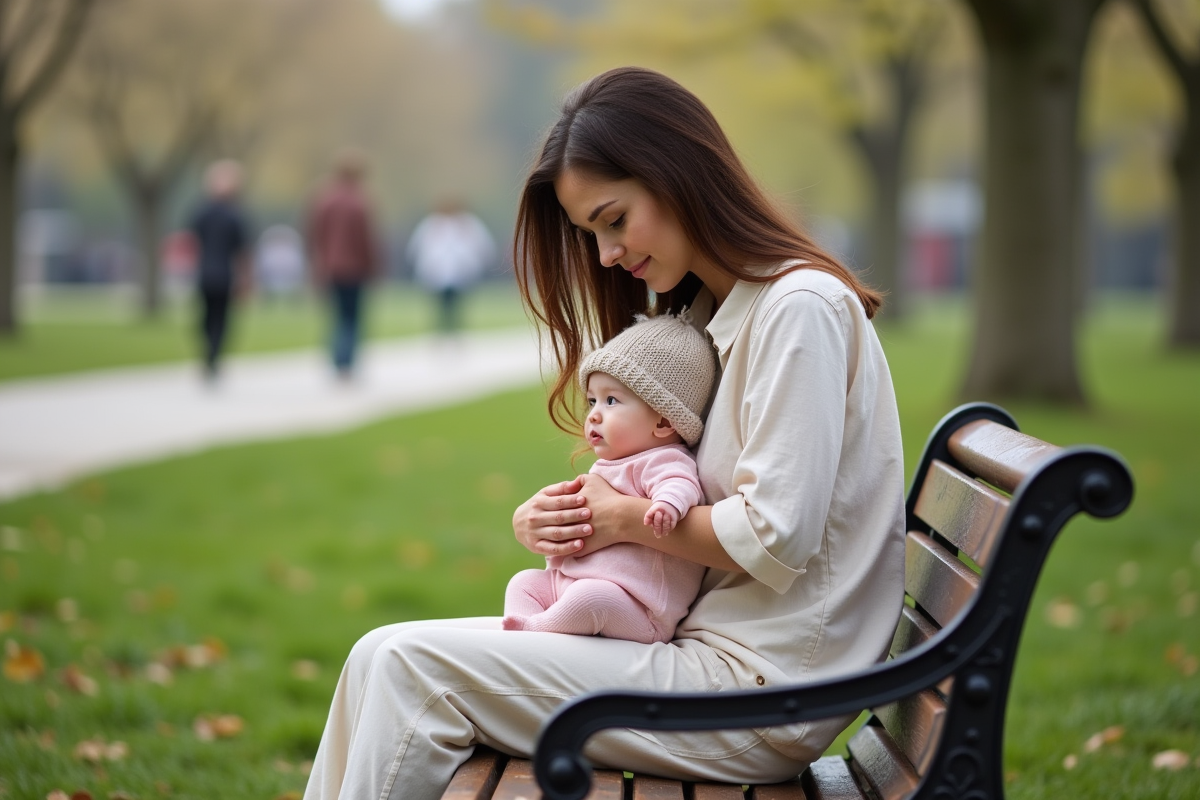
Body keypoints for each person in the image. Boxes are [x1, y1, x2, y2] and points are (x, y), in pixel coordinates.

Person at [304, 66, 905, 800]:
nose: (606, 256)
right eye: (593, 233)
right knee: (376, 653)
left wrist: (619, 517)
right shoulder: (714, 319)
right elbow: (667, 488)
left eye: (614, 221)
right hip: (704, 654)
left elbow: (775, 535)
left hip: (760, 688)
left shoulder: (797, 309)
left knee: (410, 670)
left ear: (678, 175)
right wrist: (564, 517)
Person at [502, 311, 716, 644]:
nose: (593, 415)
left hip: (636, 608)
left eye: (611, 400)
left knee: (592, 599)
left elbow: (681, 483)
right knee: (523, 583)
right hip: (569, 584)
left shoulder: (661, 460)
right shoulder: (609, 465)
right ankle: (522, 632)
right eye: (592, 401)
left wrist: (667, 506)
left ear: (663, 422)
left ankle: (534, 635)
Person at [307, 149, 380, 379]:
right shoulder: (360, 202)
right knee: (351, 316)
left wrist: (316, 261)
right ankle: (345, 361)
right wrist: (373, 265)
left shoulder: (323, 199)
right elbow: (366, 239)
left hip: (330, 266)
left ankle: (338, 357)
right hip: (355, 267)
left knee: (337, 314)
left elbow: (313, 234)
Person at [189, 159, 250, 382]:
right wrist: (245, 278)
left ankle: (209, 355)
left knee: (207, 317)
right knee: (220, 319)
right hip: (224, 274)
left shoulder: (202, 211)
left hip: (205, 272)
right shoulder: (235, 214)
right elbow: (242, 251)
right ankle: (213, 356)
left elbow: (192, 240)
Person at [405, 199, 496, 335]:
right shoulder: (431, 225)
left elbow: (484, 247)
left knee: (456, 304)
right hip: (436, 275)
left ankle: (452, 329)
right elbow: (416, 248)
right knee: (441, 304)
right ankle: (445, 329)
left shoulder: (469, 224)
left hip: (461, 274)